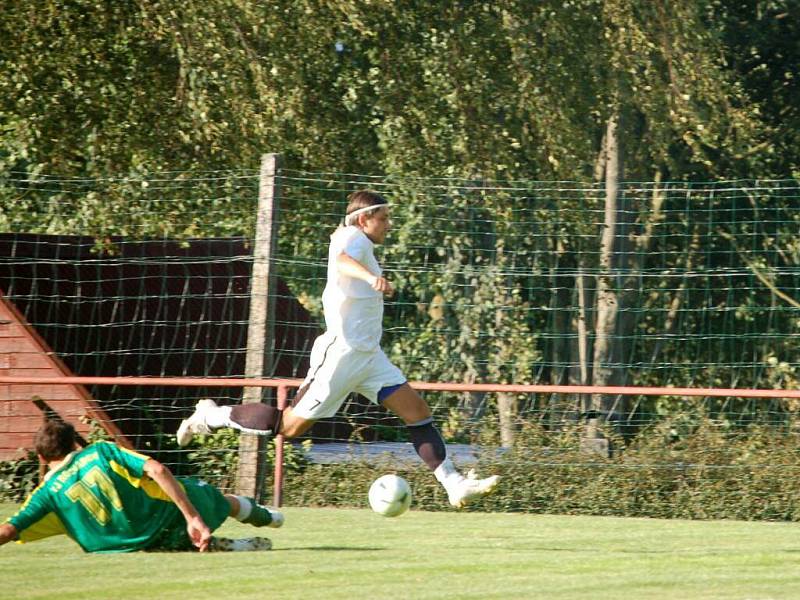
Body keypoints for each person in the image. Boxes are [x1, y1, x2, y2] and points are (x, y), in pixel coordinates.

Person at [177, 190, 499, 508]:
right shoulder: (352, 237)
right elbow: (343, 261)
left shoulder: (353, 237)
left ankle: (454, 485)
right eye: (384, 218)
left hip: (369, 357)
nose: (389, 224)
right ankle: (211, 415)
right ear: (363, 219)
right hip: (342, 354)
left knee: (417, 413)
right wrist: (371, 277)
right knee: (288, 426)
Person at [0, 419, 284, 553]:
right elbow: (157, 469)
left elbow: (9, 530)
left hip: (129, 547)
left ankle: (233, 546)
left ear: (41, 457)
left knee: (172, 539)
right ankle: (268, 518)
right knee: (223, 501)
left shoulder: (47, 493)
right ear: (75, 443)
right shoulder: (99, 451)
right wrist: (192, 517)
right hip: (164, 520)